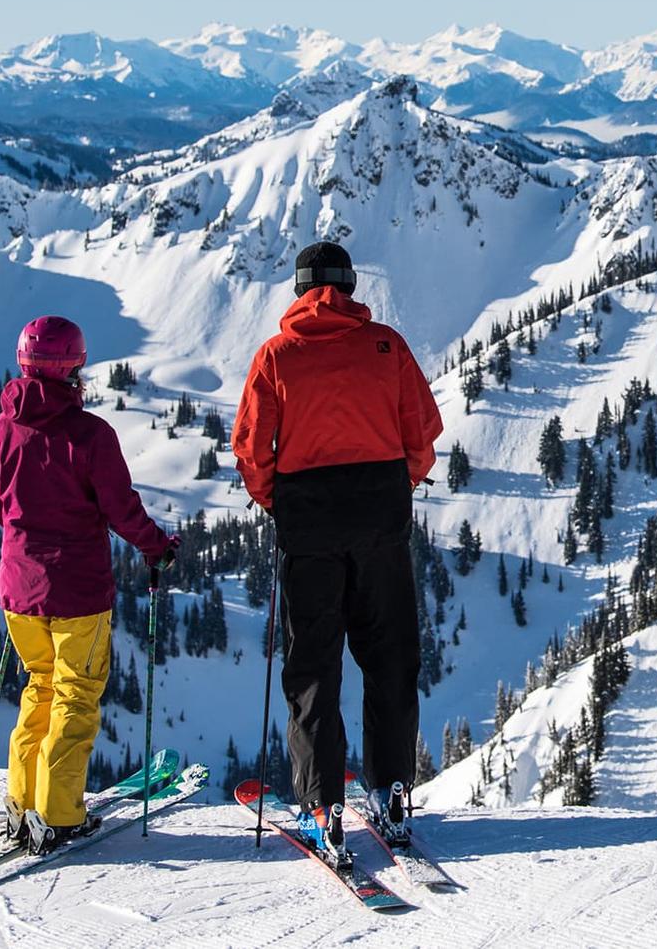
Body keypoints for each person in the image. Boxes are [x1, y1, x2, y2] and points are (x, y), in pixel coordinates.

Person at [232, 242, 443, 856]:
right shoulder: (386, 346)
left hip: (309, 524)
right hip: (380, 517)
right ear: (349, 285)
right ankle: (393, 791)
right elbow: (421, 434)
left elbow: (252, 450)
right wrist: (394, 484)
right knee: (390, 657)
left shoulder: (276, 355)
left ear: (299, 289)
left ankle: (322, 806)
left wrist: (282, 501)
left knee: (313, 668)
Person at [0, 316, 179, 854]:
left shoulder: (1, 429)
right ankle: (60, 814)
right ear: (74, 367)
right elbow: (121, 509)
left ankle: (22, 805)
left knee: (39, 688)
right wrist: (156, 546)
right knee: (75, 696)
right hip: (78, 594)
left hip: (19, 592)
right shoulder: (90, 435)